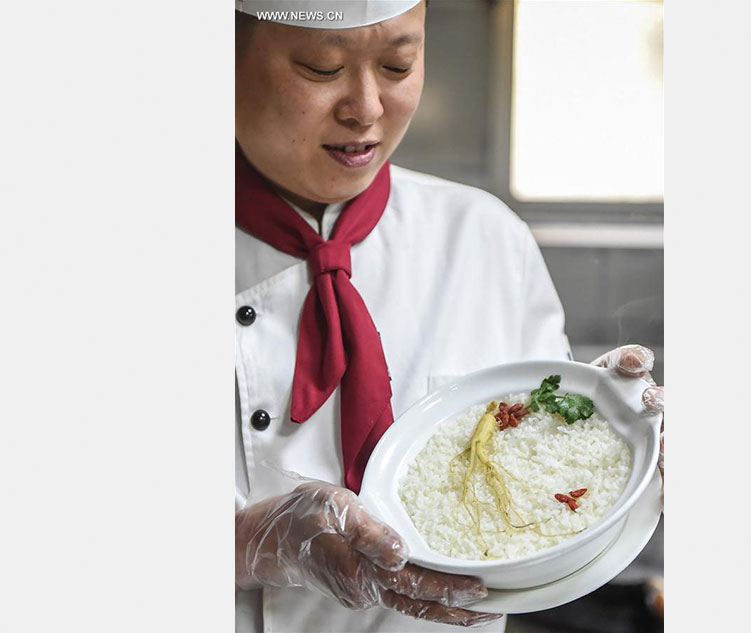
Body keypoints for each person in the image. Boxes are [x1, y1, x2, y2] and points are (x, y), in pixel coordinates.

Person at [233, 1, 665, 631]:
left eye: (397, 64)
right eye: (321, 68)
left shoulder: (486, 239)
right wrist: (249, 541)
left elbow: (542, 527)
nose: (367, 108)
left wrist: (609, 448)